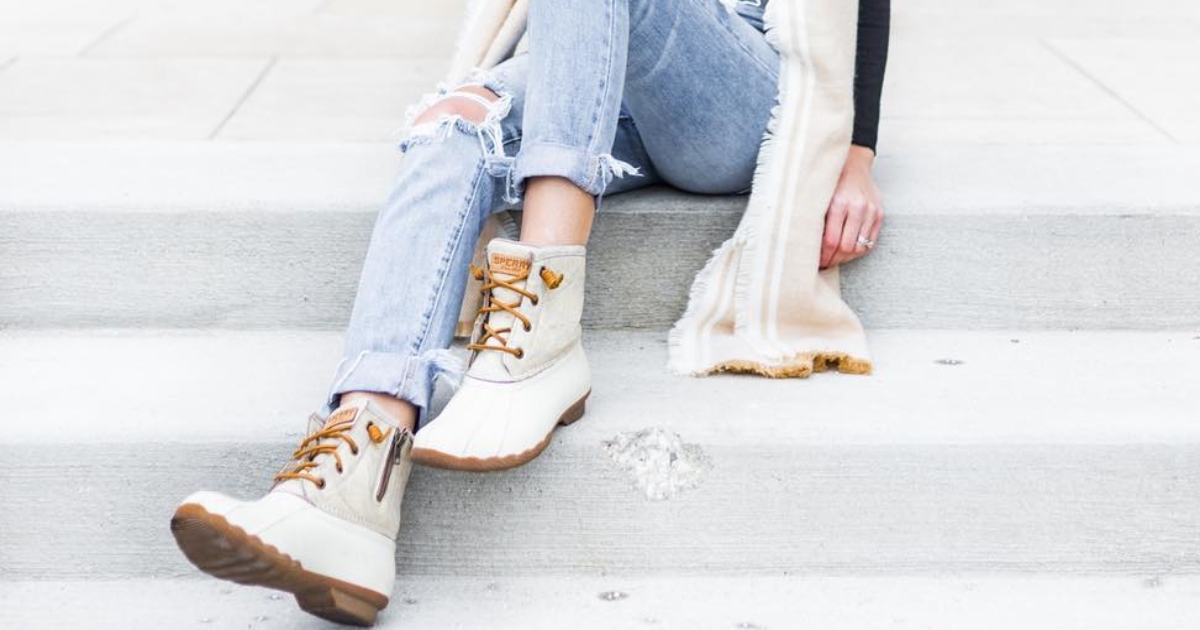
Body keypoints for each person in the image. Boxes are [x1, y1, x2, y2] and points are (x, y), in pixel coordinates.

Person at [169, 0, 890, 625]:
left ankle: (541, 328)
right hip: (595, 70)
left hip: (742, 87)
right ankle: (356, 474)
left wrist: (856, 154)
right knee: (457, 122)